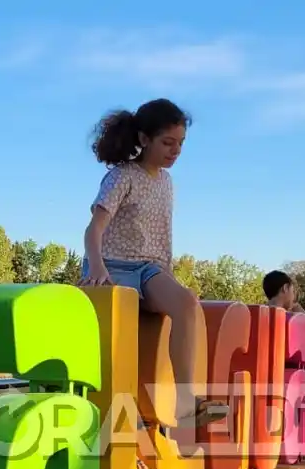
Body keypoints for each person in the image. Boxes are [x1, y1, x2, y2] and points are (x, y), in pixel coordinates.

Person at [81, 98, 223, 432]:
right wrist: (96, 268)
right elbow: (94, 228)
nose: (175, 151)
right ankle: (117, 415)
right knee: (123, 335)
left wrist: (169, 279)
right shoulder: (122, 176)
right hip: (113, 265)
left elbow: (162, 236)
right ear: (144, 139)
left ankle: (187, 403)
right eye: (168, 143)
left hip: (149, 269)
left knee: (187, 302)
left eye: (181, 144)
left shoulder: (166, 183)